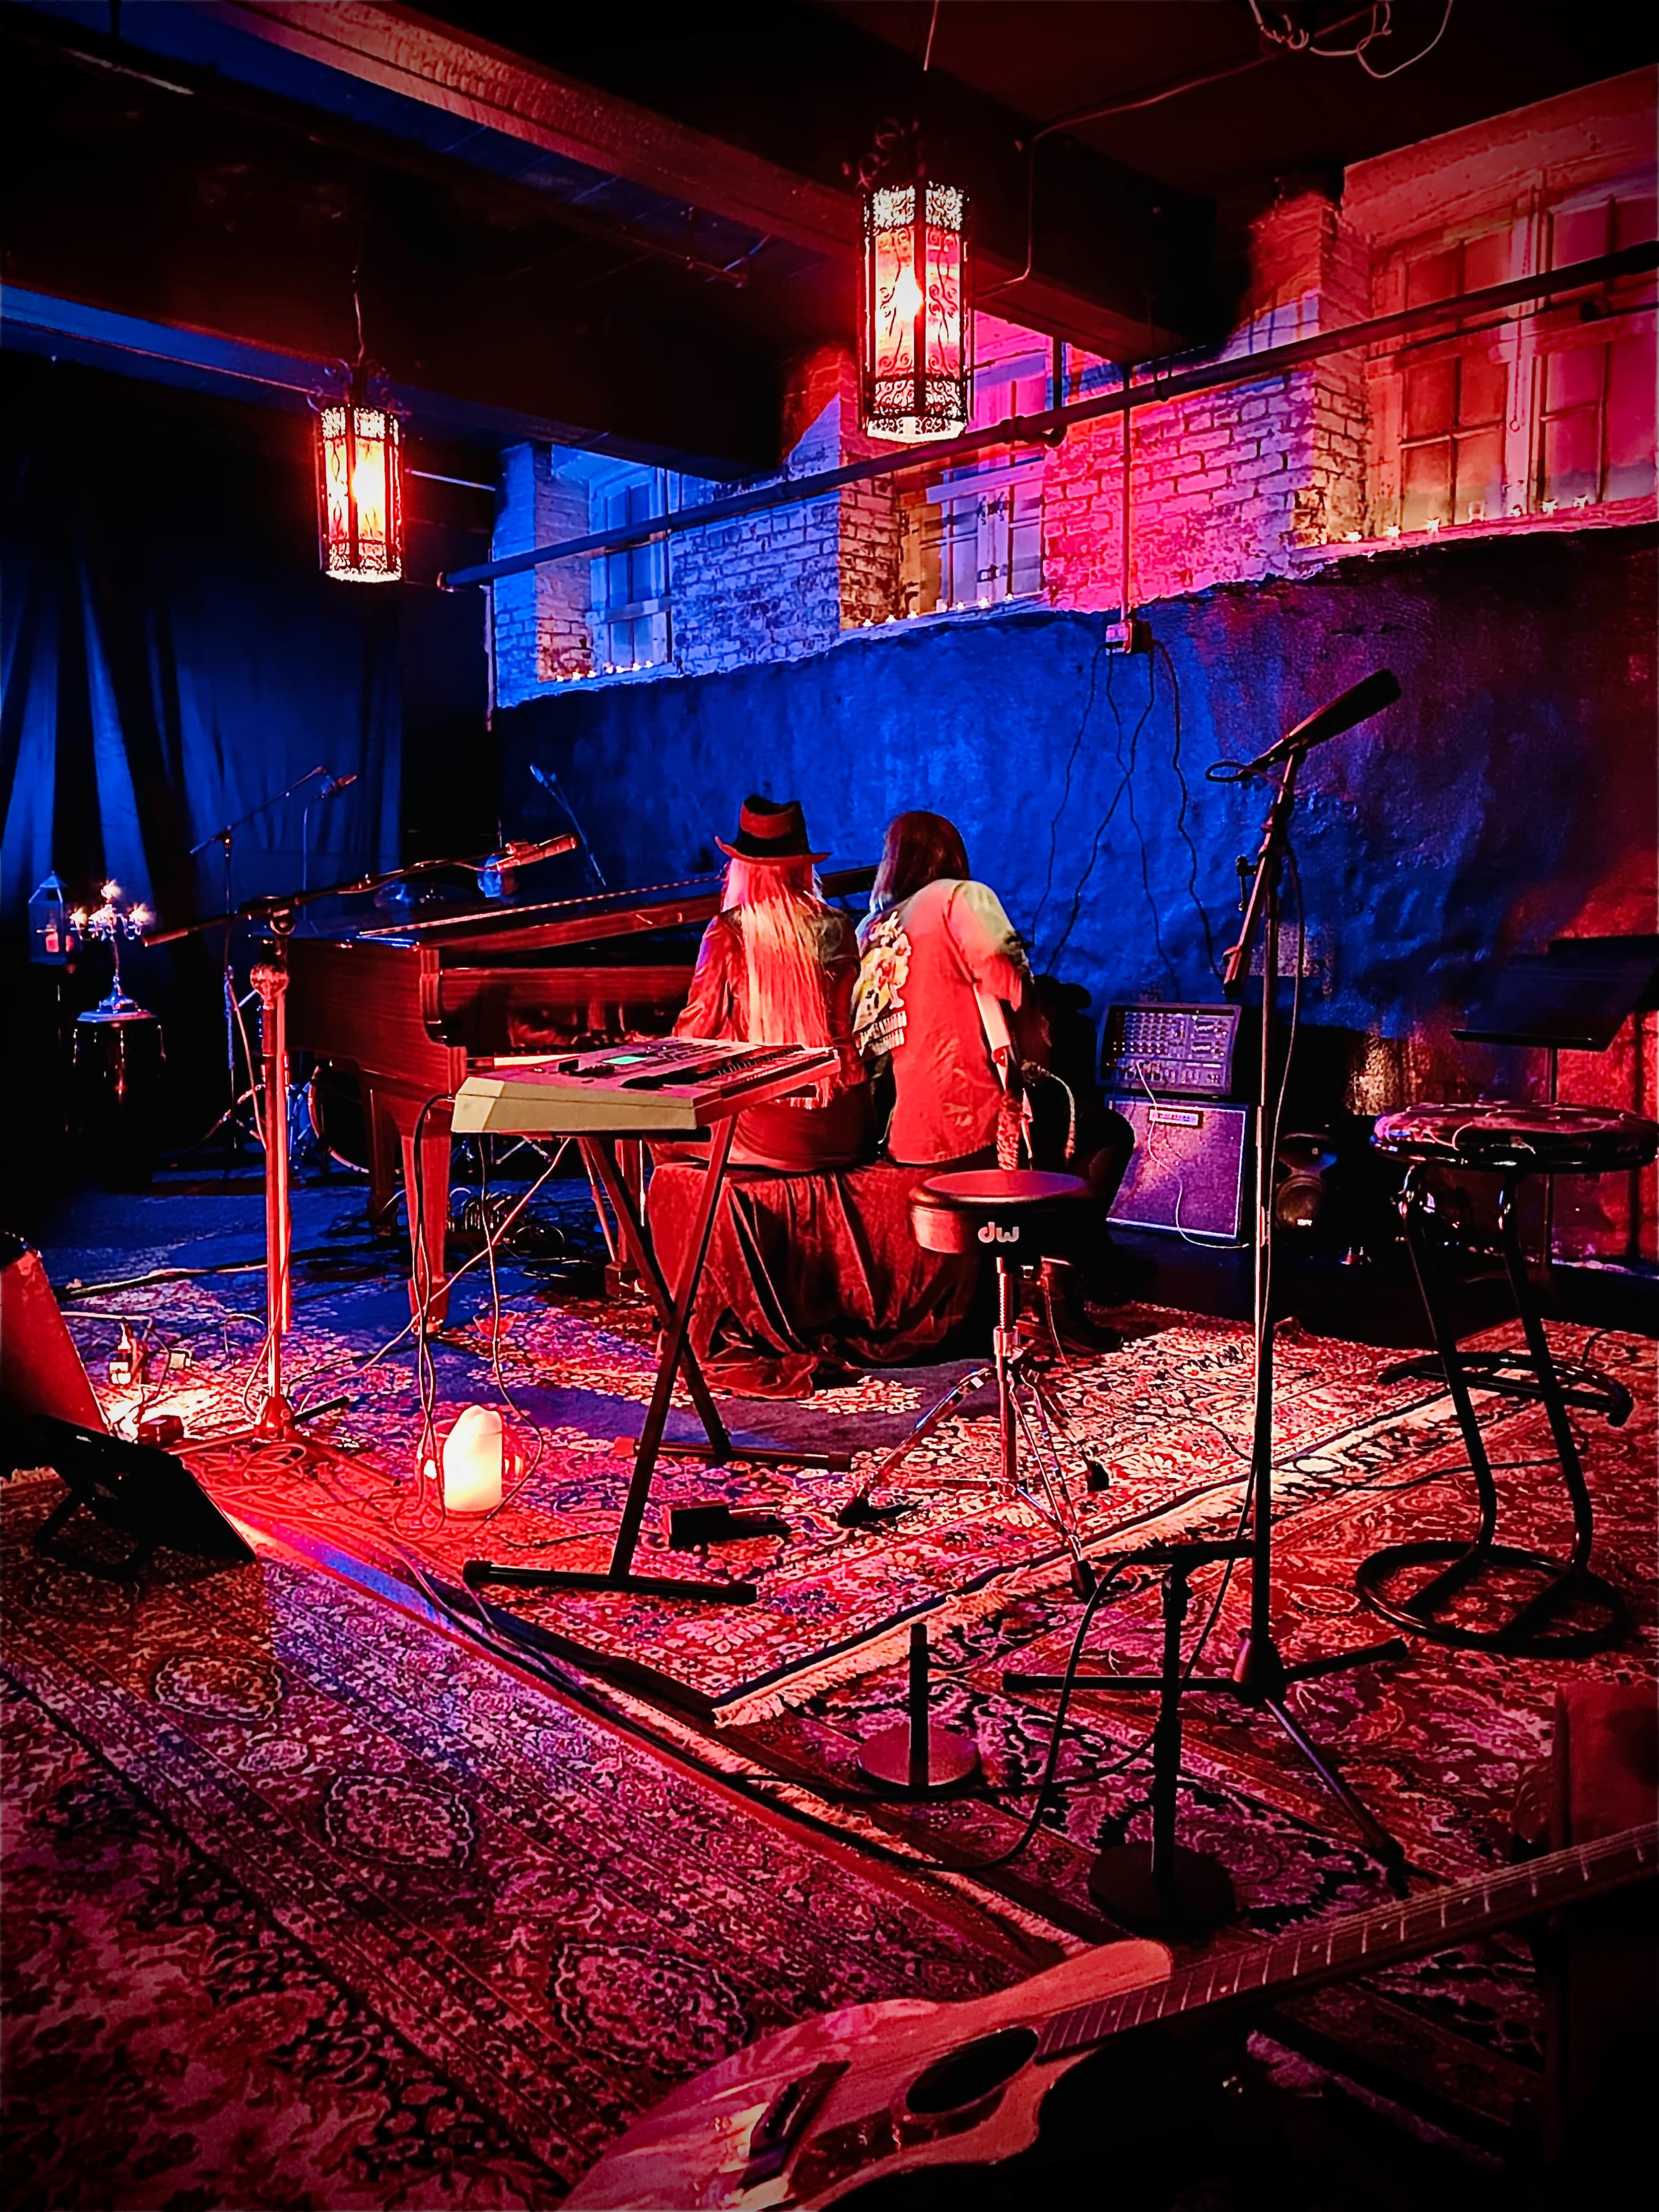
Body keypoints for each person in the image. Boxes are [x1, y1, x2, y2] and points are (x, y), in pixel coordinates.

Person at [671, 795, 870, 1170]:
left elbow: (694, 1037)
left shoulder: (728, 932)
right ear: (801, 867)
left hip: (773, 1131)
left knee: (651, 1132)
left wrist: (648, 1050)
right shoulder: (840, 925)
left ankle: (669, 1227)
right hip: (850, 1123)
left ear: (742, 869)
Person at [852, 810, 1042, 1168]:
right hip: (966, 1123)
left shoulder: (868, 929)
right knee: (1109, 1135)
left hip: (890, 1135)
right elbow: (1008, 977)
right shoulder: (959, 896)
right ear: (953, 854)